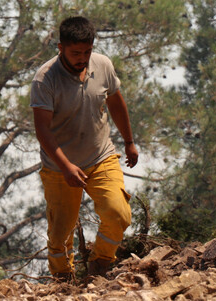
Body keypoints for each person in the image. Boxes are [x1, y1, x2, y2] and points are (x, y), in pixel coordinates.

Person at [30, 15, 139, 280]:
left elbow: (115, 102)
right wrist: (66, 166)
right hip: (59, 167)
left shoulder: (102, 65)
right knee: (59, 235)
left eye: (87, 51)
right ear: (60, 48)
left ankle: (100, 264)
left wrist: (129, 142)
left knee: (119, 214)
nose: (82, 57)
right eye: (75, 52)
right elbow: (42, 129)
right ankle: (63, 282)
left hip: (101, 157)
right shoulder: (45, 79)